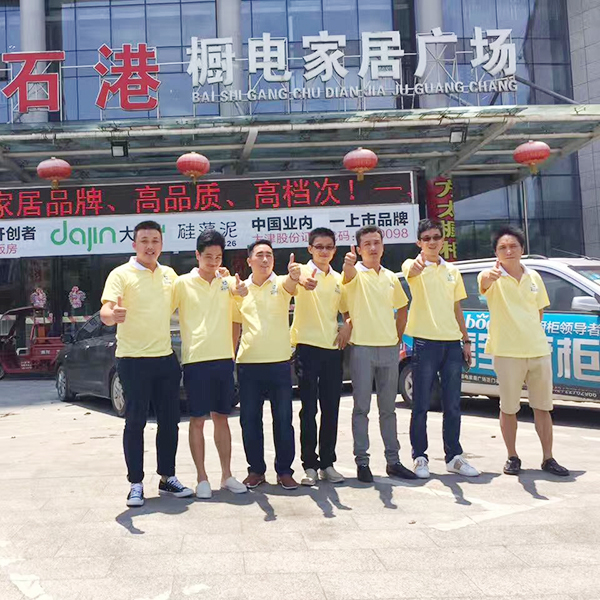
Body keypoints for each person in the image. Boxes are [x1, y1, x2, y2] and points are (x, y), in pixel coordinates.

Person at [100, 220, 193, 507]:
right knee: (135, 421)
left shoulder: (169, 275)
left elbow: (190, 295)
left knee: (170, 421)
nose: (150, 246)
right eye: (144, 241)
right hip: (132, 360)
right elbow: (105, 310)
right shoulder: (120, 274)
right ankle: (136, 483)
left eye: (155, 241)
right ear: (134, 244)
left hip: (165, 358)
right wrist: (112, 316)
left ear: (161, 245)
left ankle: (167, 477)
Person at [478, 226, 569, 477]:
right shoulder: (490, 276)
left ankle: (548, 458)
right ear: (496, 253)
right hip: (507, 352)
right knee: (509, 407)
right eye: (503, 247)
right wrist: (490, 278)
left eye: (513, 246)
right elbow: (483, 284)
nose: (508, 251)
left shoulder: (535, 277)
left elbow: (539, 312)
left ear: (522, 249)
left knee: (543, 407)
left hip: (538, 350)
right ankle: (512, 456)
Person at [171, 230, 249, 499]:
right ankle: (201, 478)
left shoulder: (228, 283)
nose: (213, 261)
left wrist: (232, 352)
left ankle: (226, 475)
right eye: (208, 256)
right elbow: (163, 310)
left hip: (223, 360)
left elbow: (238, 317)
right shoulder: (182, 283)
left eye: (218, 257)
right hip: (195, 360)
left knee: (222, 418)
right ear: (197, 255)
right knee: (197, 419)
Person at [402, 219, 480, 478]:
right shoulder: (412, 265)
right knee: (421, 404)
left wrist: (465, 340)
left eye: (436, 237)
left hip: (452, 343)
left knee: (453, 403)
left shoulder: (452, 271)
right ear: (419, 243)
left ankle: (454, 457)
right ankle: (420, 457)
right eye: (427, 238)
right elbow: (410, 271)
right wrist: (417, 265)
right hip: (425, 342)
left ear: (443, 240)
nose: (432, 242)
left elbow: (457, 307)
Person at [342, 225, 416, 483]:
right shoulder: (354, 274)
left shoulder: (390, 277)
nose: (373, 248)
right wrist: (348, 265)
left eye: (377, 242)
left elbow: (402, 308)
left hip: (388, 349)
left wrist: (396, 338)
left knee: (388, 409)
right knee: (361, 408)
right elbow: (347, 282)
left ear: (383, 247)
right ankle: (362, 462)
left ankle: (393, 461)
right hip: (362, 348)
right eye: (367, 244)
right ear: (358, 249)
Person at [233, 239, 301, 490]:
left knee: (283, 419)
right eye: (259, 255)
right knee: (250, 420)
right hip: (248, 363)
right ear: (249, 260)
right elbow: (235, 324)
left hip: (279, 363)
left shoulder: (281, 283)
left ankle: (284, 471)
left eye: (269, 255)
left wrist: (294, 275)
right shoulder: (240, 289)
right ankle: (256, 470)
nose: (265, 259)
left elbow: (292, 284)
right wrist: (230, 355)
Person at [291, 227, 352, 486]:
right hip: (306, 348)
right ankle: (309, 466)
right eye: (319, 247)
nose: (324, 251)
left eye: (328, 247)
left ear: (334, 250)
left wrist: (347, 325)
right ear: (310, 249)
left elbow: (346, 311)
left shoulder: (339, 279)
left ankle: (328, 463)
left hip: (332, 349)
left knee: (331, 408)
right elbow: (293, 282)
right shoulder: (300, 271)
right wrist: (299, 279)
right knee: (308, 409)